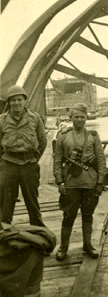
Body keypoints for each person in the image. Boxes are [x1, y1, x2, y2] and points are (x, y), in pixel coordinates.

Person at [53, 103, 106, 261]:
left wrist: (100, 182)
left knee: (88, 215)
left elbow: (101, 160)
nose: (79, 119)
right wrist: (60, 182)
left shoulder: (93, 137)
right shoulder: (63, 136)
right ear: (71, 118)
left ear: (86, 117)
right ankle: (63, 248)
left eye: (82, 117)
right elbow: (57, 162)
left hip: (89, 182)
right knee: (68, 216)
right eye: (76, 117)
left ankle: (87, 245)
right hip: (70, 183)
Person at [0, 85, 47, 227]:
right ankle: (4, 232)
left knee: (32, 200)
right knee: (6, 201)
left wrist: (34, 158)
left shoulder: (35, 118)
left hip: (29, 164)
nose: (16, 103)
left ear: (25, 101)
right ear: (9, 103)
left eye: (19, 99)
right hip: (9, 164)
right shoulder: (2, 120)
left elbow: (42, 141)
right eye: (13, 100)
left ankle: (38, 231)